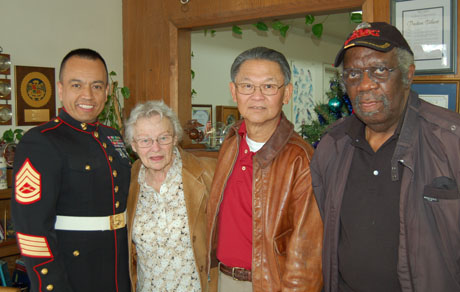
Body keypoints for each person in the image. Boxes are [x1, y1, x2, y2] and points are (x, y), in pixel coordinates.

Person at [311, 22, 460, 292]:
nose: (365, 84)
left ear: (407, 75)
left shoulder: (451, 141)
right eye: (353, 74)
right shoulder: (332, 145)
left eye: (379, 70)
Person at [11, 49, 131, 292]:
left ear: (107, 91)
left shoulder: (112, 137)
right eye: (77, 85)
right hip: (72, 276)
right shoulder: (41, 142)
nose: (87, 95)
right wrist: (51, 284)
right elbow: (31, 229)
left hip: (116, 273)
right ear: (61, 88)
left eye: (97, 86)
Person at [206, 46, 323, 292]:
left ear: (287, 93)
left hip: (272, 285)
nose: (257, 96)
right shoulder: (231, 142)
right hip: (223, 280)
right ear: (233, 92)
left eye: (269, 86)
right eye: (247, 86)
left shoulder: (300, 159)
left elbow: (307, 253)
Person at [124, 101, 216, 292]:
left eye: (163, 138)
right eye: (145, 140)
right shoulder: (128, 181)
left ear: (175, 138)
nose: (155, 148)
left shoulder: (206, 173)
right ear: (133, 145)